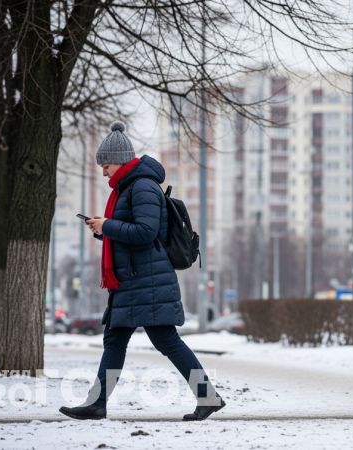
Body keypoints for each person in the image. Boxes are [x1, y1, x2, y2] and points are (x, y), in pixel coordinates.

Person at [59, 122, 224, 421]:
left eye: (106, 165)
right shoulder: (128, 187)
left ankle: (207, 396)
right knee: (115, 340)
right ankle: (97, 404)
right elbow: (132, 233)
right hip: (132, 280)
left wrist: (107, 225)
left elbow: (146, 232)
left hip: (146, 280)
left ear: (120, 160)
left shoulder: (142, 185)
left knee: (165, 340)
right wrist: (102, 228)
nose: (104, 171)